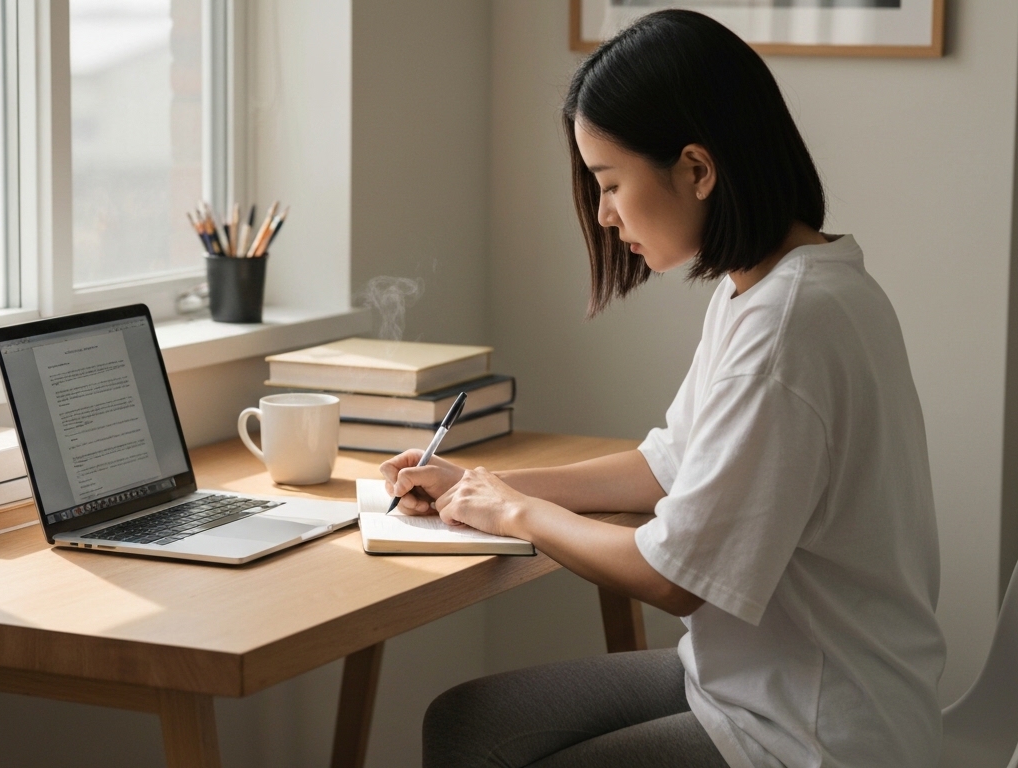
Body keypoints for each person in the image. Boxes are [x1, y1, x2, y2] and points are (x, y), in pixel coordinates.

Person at [381, 9, 947, 768]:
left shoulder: (787, 326)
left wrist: (521, 512)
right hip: (755, 683)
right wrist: (481, 484)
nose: (606, 215)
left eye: (610, 183)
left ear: (697, 169)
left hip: (808, 731)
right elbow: (669, 464)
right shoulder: (775, 287)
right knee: (468, 725)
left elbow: (673, 576)